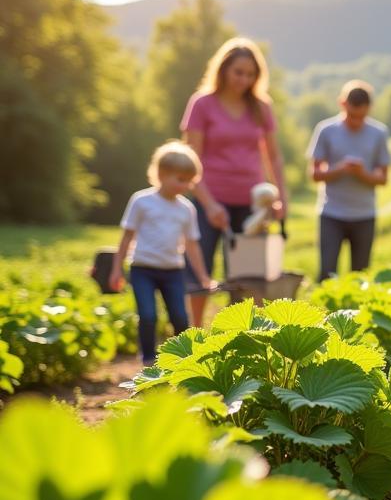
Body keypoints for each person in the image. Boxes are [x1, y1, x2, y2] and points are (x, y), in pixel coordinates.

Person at [181, 37, 287, 325]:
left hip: (252, 204)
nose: (244, 79)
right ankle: (195, 333)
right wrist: (210, 205)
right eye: (238, 72)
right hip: (209, 201)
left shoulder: (261, 107)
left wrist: (281, 199)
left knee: (248, 276)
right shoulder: (202, 104)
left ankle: (243, 335)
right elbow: (191, 161)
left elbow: (274, 158)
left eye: (250, 74)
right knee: (199, 269)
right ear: (223, 69)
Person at [109, 142, 214, 366]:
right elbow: (127, 237)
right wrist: (117, 269)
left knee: (180, 318)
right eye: (181, 179)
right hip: (143, 269)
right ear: (162, 174)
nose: (186, 185)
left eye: (190, 181)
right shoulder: (142, 201)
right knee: (148, 316)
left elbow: (192, 246)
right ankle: (147, 360)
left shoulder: (187, 208)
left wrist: (203, 276)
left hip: (173, 271)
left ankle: (184, 361)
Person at [307, 80, 391, 280]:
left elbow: (384, 178)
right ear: (342, 104)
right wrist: (339, 169)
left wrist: (362, 174)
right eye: (352, 116)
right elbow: (314, 174)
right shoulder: (326, 130)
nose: (356, 122)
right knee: (327, 274)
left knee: (360, 277)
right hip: (331, 214)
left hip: (364, 215)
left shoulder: (379, 133)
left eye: (361, 117)